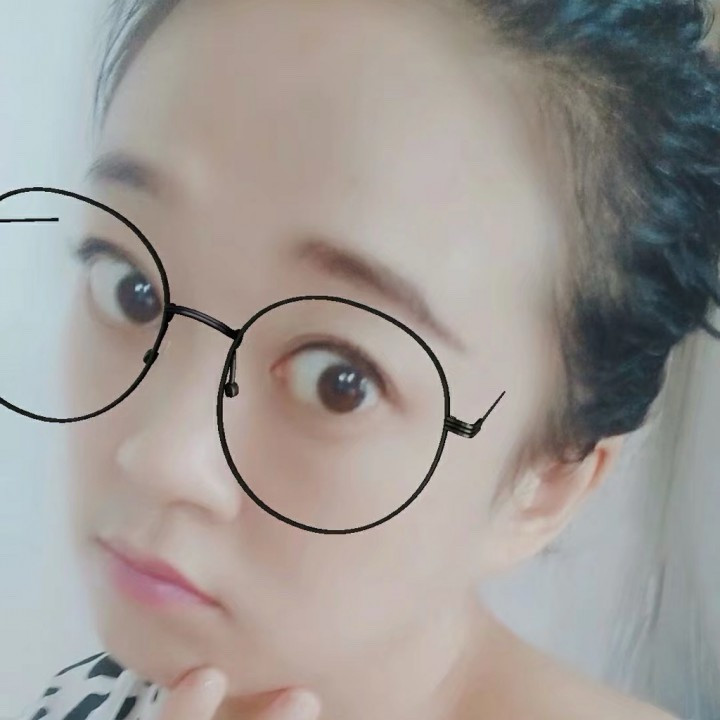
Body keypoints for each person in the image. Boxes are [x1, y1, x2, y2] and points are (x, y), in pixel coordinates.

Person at [12, 0, 720, 719]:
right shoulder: (94, 696)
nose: (158, 456)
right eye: (131, 288)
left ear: (542, 484)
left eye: (336, 380)